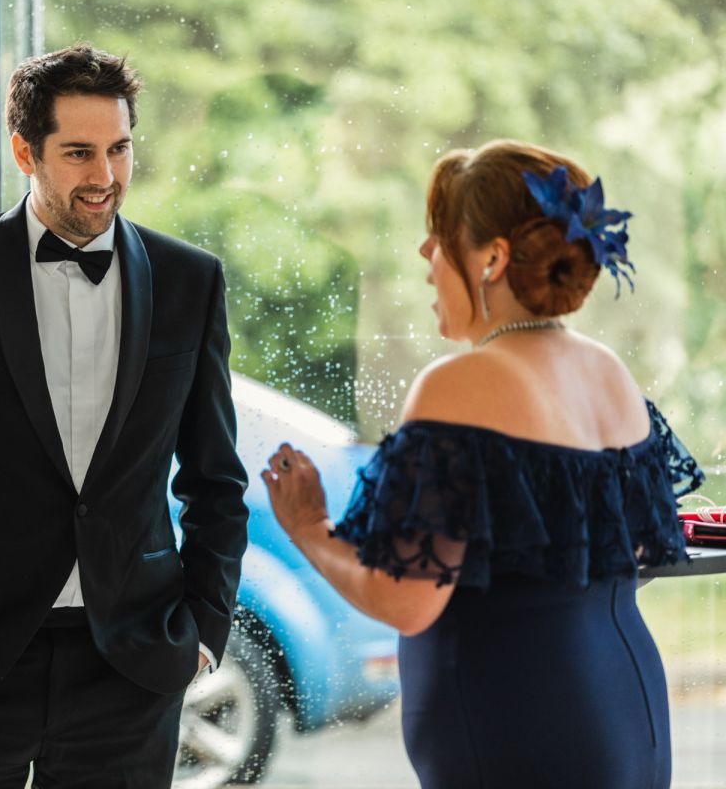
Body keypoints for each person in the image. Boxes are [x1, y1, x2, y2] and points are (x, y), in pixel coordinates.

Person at [0, 43, 249, 787]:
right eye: (78, 153)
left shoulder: (189, 280)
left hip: (131, 666)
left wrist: (201, 633)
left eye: (119, 149)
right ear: (23, 152)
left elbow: (216, 479)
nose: (105, 176)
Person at [262, 140, 703, 789]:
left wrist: (309, 528)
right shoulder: (606, 374)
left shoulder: (459, 386)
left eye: (439, 237)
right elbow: (629, 555)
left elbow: (406, 602)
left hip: (524, 730)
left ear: (493, 258)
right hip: (627, 707)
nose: (425, 254)